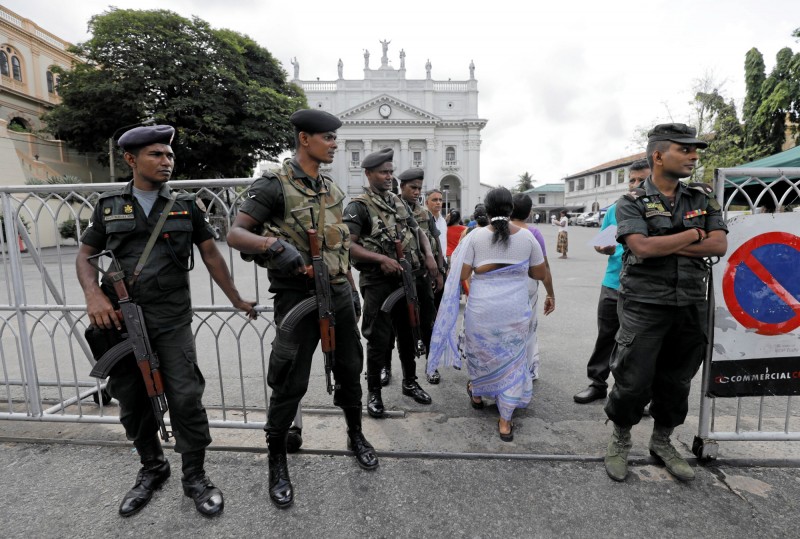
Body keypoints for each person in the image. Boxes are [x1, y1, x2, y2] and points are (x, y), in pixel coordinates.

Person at [76, 125, 257, 518]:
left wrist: (237, 298)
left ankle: (195, 476)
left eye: (169, 155)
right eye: (157, 154)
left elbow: (211, 255)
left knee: (186, 396)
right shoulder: (109, 205)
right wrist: (93, 295)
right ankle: (152, 468)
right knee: (131, 399)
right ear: (131, 159)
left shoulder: (185, 204)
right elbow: (85, 255)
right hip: (122, 322)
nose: (166, 161)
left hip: (171, 318)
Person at [226, 109, 379, 509]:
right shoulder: (274, 185)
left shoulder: (331, 189)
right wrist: (273, 246)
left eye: (334, 138)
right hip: (297, 297)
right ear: (304, 138)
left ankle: (355, 434)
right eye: (327, 138)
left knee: (349, 368)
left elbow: (341, 245)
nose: (334, 144)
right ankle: (277, 460)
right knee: (289, 381)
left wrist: (352, 289)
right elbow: (235, 233)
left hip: (340, 293)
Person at [603, 124, 727, 482]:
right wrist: (692, 234)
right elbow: (640, 248)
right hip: (644, 302)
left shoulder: (701, 196)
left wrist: (665, 242)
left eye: (694, 150)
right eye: (684, 149)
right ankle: (621, 437)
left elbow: (718, 245)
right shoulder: (631, 201)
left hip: (690, 301)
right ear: (658, 155)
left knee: (677, 380)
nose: (693, 156)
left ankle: (662, 441)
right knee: (632, 378)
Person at [428, 187, 546, 441]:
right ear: (511, 209)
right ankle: (505, 420)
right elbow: (539, 274)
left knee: (482, 354)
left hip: (482, 310)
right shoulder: (527, 238)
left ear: (487, 210)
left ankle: (479, 394)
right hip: (514, 310)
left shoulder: (475, 237)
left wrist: (487, 268)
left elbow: (462, 275)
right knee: (512, 358)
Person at [344, 148, 438, 419]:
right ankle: (373, 392)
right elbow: (347, 245)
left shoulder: (397, 201)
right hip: (378, 282)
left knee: (409, 332)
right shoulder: (358, 207)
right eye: (384, 172)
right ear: (369, 173)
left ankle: (410, 381)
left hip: (406, 279)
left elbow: (417, 229)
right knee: (378, 339)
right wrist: (378, 259)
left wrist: (429, 256)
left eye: (391, 172)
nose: (389, 176)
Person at [574, 159, 650, 405]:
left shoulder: (659, 210)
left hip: (644, 286)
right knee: (606, 335)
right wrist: (603, 248)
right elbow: (602, 242)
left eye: (642, 180)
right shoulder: (615, 209)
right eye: (632, 180)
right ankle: (597, 384)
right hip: (612, 283)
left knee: (639, 343)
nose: (635, 184)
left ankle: (632, 393)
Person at [398, 167, 445, 385]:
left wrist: (440, 273)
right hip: (399, 279)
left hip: (423, 277)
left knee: (429, 323)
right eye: (412, 187)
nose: (417, 192)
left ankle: (431, 365)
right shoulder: (391, 209)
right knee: (399, 328)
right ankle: (392, 371)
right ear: (402, 187)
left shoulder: (425, 214)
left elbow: (436, 245)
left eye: (419, 188)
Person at [511, 193, 556, 380]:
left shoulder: (501, 230)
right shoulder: (533, 233)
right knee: (528, 329)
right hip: (528, 285)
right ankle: (527, 370)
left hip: (505, 287)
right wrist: (551, 294)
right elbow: (544, 266)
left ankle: (506, 371)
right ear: (529, 212)